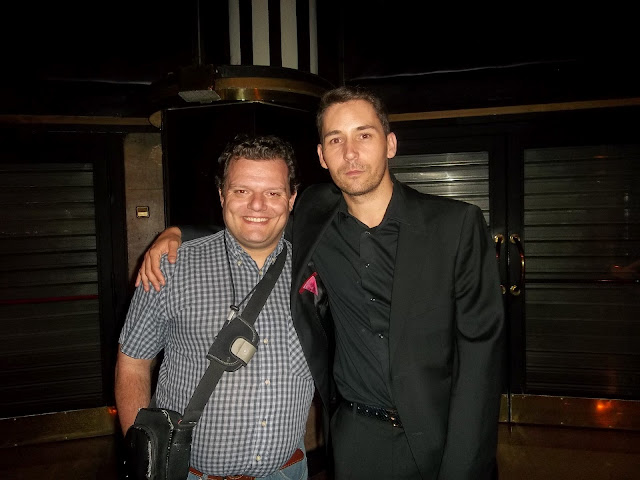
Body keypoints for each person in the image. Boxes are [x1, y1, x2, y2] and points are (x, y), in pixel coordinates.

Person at [138, 86, 506, 479]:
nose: (350, 153)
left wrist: (464, 467)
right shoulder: (314, 213)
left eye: (364, 135)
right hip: (355, 438)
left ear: (390, 144)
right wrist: (177, 233)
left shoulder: (455, 226)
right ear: (321, 155)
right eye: (335, 139)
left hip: (439, 437)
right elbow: (255, 220)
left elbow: (480, 364)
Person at [115, 134, 314, 480]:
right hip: (191, 474)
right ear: (222, 194)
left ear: (292, 197)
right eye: (242, 191)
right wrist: (145, 460)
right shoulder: (171, 267)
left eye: (273, 193)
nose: (257, 205)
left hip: (287, 472)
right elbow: (132, 364)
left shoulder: (316, 273)